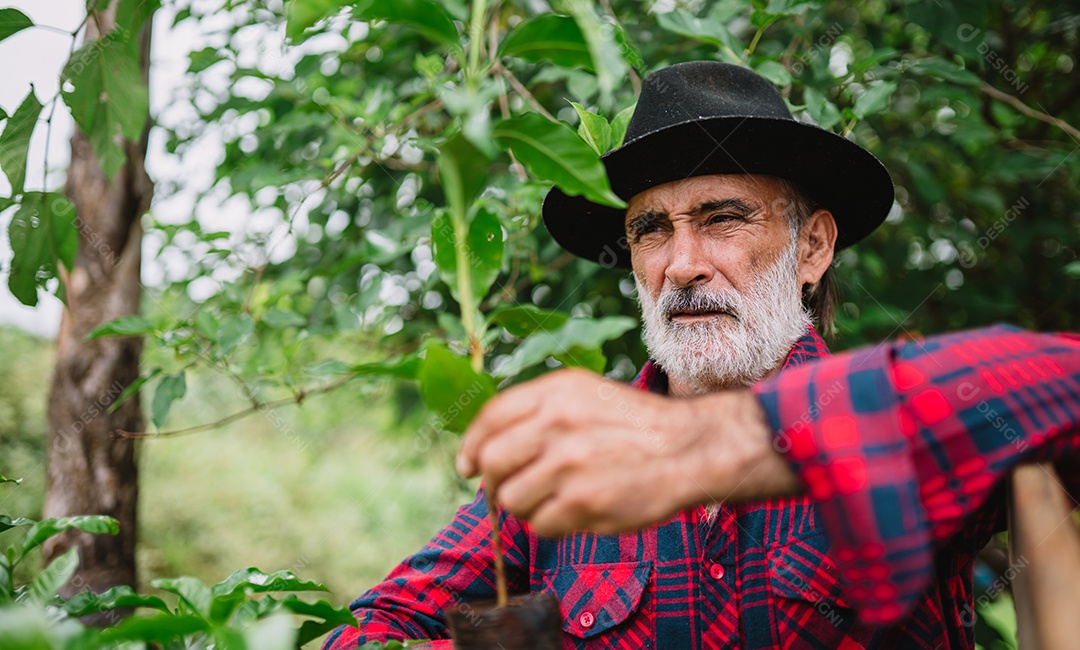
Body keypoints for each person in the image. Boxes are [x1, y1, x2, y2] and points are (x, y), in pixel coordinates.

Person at [325, 61, 1080, 649]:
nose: (681, 262)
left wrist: (728, 439)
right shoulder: (571, 464)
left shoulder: (912, 419)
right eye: (651, 230)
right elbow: (380, 625)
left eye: (723, 219)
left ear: (811, 247)